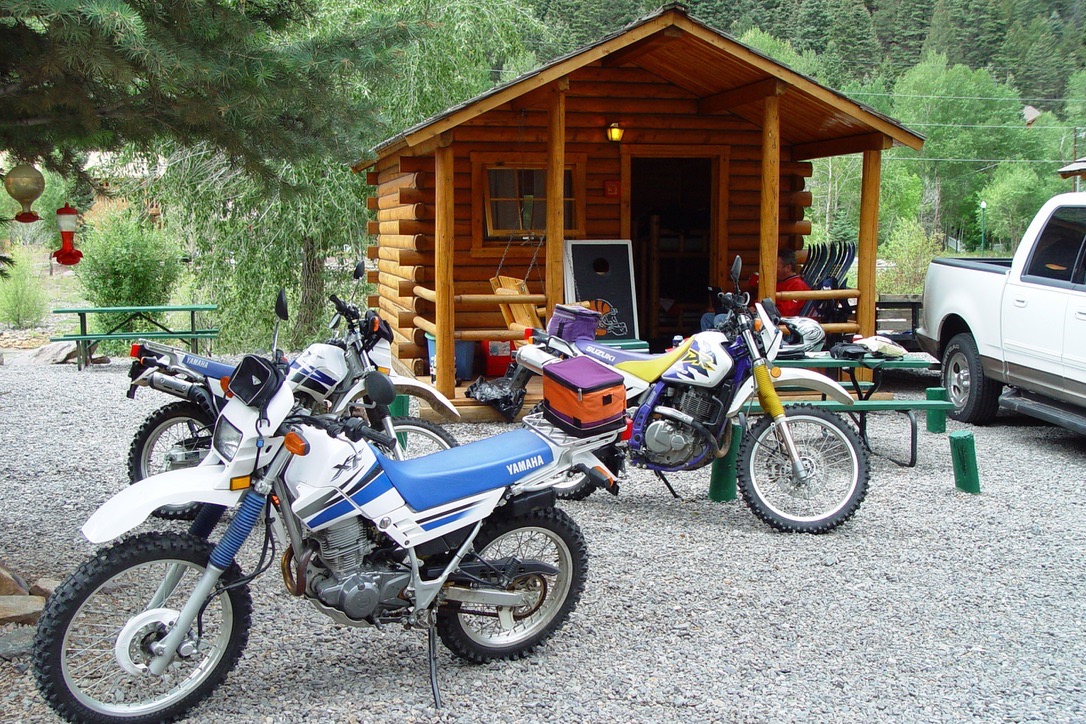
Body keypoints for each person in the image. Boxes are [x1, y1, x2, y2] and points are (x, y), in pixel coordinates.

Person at [700, 248, 811, 331]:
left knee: (719, 319)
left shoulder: (797, 286)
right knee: (707, 317)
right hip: (754, 317)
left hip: (768, 325)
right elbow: (753, 281)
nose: (772, 269)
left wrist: (757, 311)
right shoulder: (777, 282)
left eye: (775, 265)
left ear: (788, 268)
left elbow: (783, 313)